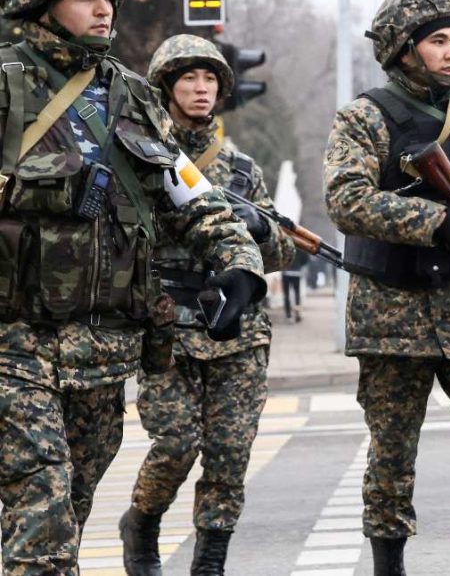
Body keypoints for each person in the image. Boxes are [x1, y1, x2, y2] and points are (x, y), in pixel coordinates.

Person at [0, 0, 265, 575]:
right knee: (43, 512)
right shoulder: (6, 85)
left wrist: (240, 264)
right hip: (14, 342)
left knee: (73, 502)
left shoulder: (135, 99)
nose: (103, 10)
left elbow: (192, 197)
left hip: (103, 351)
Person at [323, 0, 450, 576]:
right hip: (393, 318)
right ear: (402, 48)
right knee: (392, 457)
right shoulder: (364, 118)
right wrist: (438, 223)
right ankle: (390, 564)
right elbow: (346, 199)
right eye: (437, 40)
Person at [118, 34, 296, 576]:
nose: (201, 89)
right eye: (189, 78)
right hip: (168, 325)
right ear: (166, 86)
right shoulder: (142, 154)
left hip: (235, 329)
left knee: (229, 454)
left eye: (211, 79)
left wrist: (261, 225)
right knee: (176, 442)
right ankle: (142, 522)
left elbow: (282, 250)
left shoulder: (241, 168)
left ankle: (210, 563)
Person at [282, 249, 308, 322]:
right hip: (297, 272)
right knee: (297, 293)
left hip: (286, 272)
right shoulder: (300, 245)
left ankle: (288, 314)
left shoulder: (285, 242)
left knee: (286, 294)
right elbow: (306, 258)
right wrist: (299, 265)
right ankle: (297, 312)